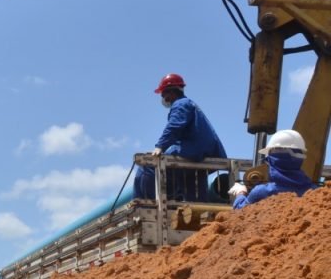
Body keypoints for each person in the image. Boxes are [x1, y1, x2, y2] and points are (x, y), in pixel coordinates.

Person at [133, 73, 227, 201]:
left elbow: (174, 126)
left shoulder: (180, 104)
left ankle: (146, 202)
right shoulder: (189, 104)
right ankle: (195, 209)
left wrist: (160, 146)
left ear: (171, 92)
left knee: (148, 166)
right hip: (205, 150)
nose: (163, 98)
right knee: (192, 180)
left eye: (163, 94)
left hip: (194, 148)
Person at [229, 129, 318, 208]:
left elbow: (239, 211)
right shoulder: (315, 192)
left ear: (273, 158)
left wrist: (241, 192)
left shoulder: (262, 192)